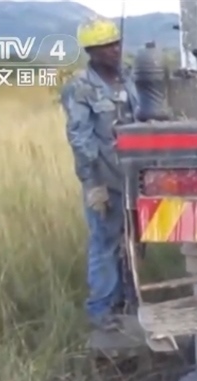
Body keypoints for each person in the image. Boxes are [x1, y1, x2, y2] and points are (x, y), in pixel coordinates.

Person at [61, 18, 140, 331]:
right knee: (105, 244)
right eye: (106, 46)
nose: (115, 50)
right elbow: (80, 138)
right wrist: (93, 184)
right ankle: (102, 311)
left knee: (132, 243)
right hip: (104, 181)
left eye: (116, 43)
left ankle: (130, 302)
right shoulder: (80, 87)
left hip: (133, 178)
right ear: (91, 52)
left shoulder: (128, 77)